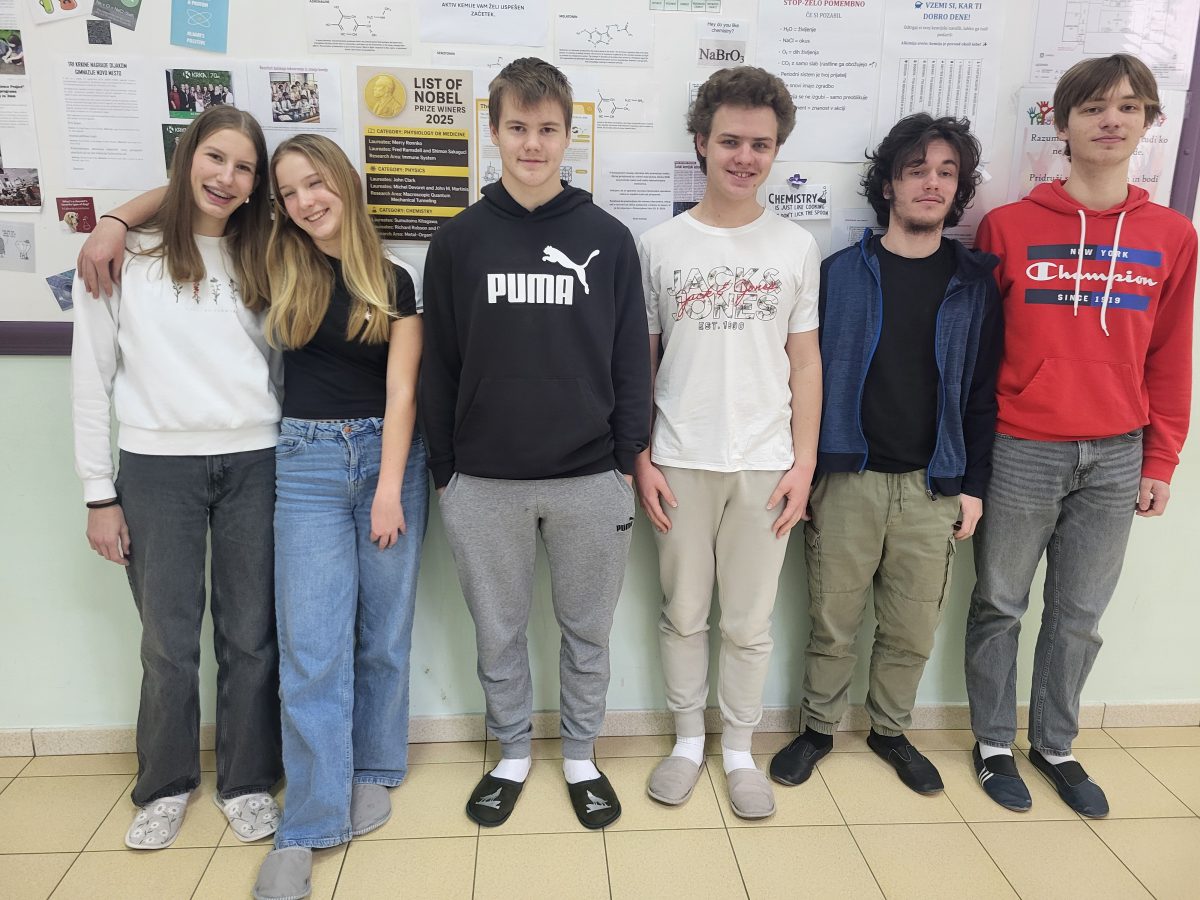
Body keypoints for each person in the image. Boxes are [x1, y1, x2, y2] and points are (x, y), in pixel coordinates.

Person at [420, 57, 650, 830]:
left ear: (568, 134)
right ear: (493, 131)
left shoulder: (608, 239)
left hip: (590, 478)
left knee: (588, 631)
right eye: (517, 127)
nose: (532, 143)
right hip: (483, 481)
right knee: (499, 631)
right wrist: (447, 472)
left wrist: (624, 462)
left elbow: (630, 359)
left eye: (547, 128)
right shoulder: (458, 242)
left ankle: (581, 755)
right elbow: (439, 363)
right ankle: (512, 753)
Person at [965, 53, 1196, 817]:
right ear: (1061, 124)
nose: (1111, 120)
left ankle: (1055, 744)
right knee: (1000, 602)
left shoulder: (1171, 235)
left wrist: (1162, 457)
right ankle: (993, 743)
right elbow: (980, 354)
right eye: (1093, 107)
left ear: (1150, 121)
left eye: (1129, 107)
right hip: (1021, 445)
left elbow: (1170, 354)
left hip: (1118, 452)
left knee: (1079, 615)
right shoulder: (1008, 227)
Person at [768, 114, 1002, 795]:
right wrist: (807, 469)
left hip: (933, 485)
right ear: (889, 185)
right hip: (849, 479)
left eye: (947, 173)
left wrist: (973, 485)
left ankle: (891, 731)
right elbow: (800, 379)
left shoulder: (974, 283)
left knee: (911, 628)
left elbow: (983, 394)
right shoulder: (840, 274)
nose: (932, 183)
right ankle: (818, 729)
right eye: (917, 170)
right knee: (832, 621)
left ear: (959, 190)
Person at [70, 105, 283, 851]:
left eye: (244, 167)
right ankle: (164, 786)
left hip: (256, 461)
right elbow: (90, 381)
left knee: (251, 636)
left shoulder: (266, 254)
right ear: (187, 157)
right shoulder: (124, 255)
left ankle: (248, 781)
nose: (226, 177)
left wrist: (116, 214)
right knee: (167, 641)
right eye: (214, 158)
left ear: (257, 183)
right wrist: (99, 492)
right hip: (156, 470)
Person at [634, 66, 821, 820]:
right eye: (730, 141)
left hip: (767, 465)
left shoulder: (796, 247)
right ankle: (688, 742)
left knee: (748, 622)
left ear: (776, 151)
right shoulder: (658, 245)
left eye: (761, 145)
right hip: (678, 458)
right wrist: (640, 457)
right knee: (684, 613)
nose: (745, 157)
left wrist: (805, 464)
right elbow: (641, 364)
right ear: (701, 144)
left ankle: (739, 749)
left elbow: (805, 363)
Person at [249, 134, 427, 900]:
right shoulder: (274, 264)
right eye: (289, 193)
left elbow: (403, 390)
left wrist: (387, 486)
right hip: (307, 463)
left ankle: (376, 768)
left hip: (391, 461)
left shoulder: (395, 278)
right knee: (313, 648)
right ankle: (308, 823)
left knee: (383, 633)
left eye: (314, 183)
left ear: (345, 182)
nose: (305, 202)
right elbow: (192, 200)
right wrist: (118, 221)